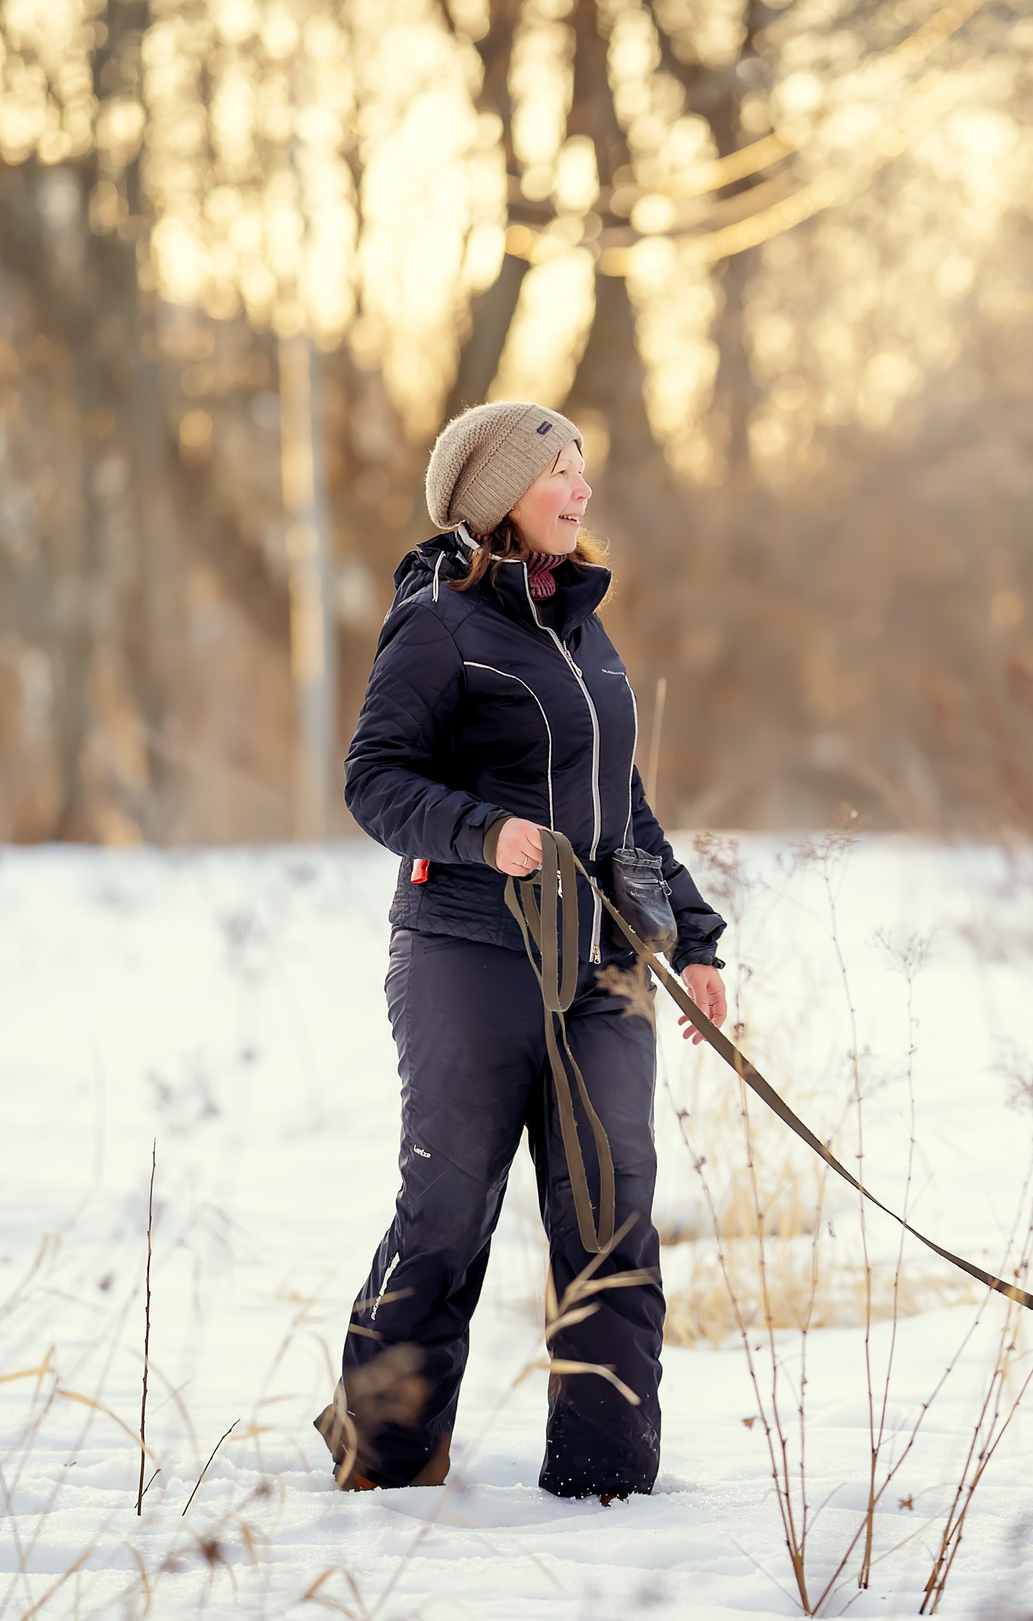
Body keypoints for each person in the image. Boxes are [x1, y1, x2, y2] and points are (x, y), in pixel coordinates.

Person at [316, 400, 729, 1501]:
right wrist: (479, 830)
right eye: (560, 468)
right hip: (467, 950)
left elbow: (623, 811)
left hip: (600, 966)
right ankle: (383, 1463)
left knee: (610, 1210)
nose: (582, 487)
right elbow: (374, 778)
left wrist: (694, 938)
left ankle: (604, 1485)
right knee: (447, 1212)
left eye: (583, 466)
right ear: (499, 493)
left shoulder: (583, 627)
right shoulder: (437, 622)